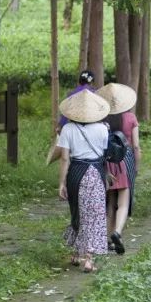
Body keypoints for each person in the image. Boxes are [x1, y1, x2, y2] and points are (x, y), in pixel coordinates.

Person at [55, 89, 110, 273]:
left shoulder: (68, 129)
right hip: (96, 173)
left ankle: (78, 254)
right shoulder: (103, 129)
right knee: (94, 215)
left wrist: (61, 183)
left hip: (76, 173)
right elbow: (105, 155)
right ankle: (89, 259)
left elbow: (65, 159)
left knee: (77, 212)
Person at [96, 83, 141, 255]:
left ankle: (108, 239)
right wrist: (136, 166)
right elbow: (135, 146)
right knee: (123, 202)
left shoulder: (102, 120)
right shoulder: (130, 118)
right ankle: (117, 232)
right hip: (124, 161)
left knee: (110, 202)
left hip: (107, 161)